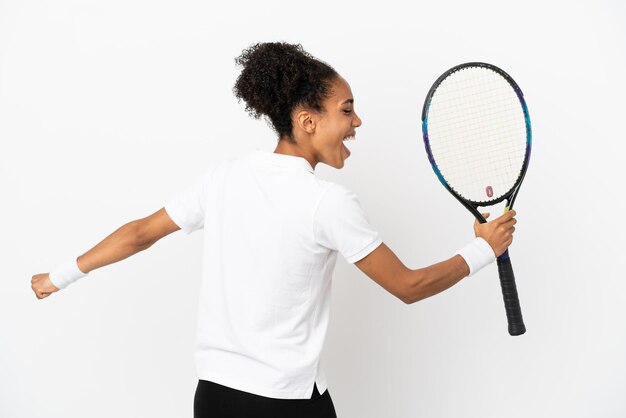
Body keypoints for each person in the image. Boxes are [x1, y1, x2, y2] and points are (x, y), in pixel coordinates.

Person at [31, 42, 516, 418]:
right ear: (307, 121)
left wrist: (58, 276)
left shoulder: (222, 178)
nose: (357, 121)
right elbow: (408, 287)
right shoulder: (328, 203)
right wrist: (482, 250)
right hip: (284, 405)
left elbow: (139, 233)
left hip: (214, 399)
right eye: (346, 110)